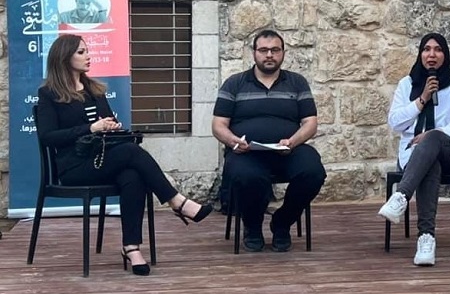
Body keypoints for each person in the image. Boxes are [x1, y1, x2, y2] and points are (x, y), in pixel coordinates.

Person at [35, 34, 213, 276]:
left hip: (102, 159)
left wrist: (111, 127)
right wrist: (90, 128)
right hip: (74, 167)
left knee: (132, 176)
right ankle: (177, 202)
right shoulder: (49, 94)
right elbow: (48, 137)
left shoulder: (95, 90)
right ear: (64, 57)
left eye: (87, 51)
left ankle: (131, 248)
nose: (88, 56)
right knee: (131, 152)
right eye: (81, 52)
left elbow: (106, 123)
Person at [212, 29, 326, 252]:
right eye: (263, 50)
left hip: (289, 150)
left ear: (283, 53)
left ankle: (282, 222)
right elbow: (218, 125)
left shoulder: (297, 82)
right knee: (248, 176)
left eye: (275, 50)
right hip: (247, 153)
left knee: (313, 172)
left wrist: (293, 141)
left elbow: (310, 123)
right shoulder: (234, 83)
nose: (269, 55)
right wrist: (234, 142)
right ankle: (253, 227)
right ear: (254, 53)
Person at [378, 33, 450, 266]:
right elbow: (395, 123)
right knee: (430, 162)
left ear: (445, 55)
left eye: (438, 49)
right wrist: (421, 99)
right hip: (415, 157)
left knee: (432, 139)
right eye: (426, 49)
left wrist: (434, 134)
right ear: (420, 54)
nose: (431, 54)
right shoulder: (407, 85)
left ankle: (402, 195)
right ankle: (426, 238)